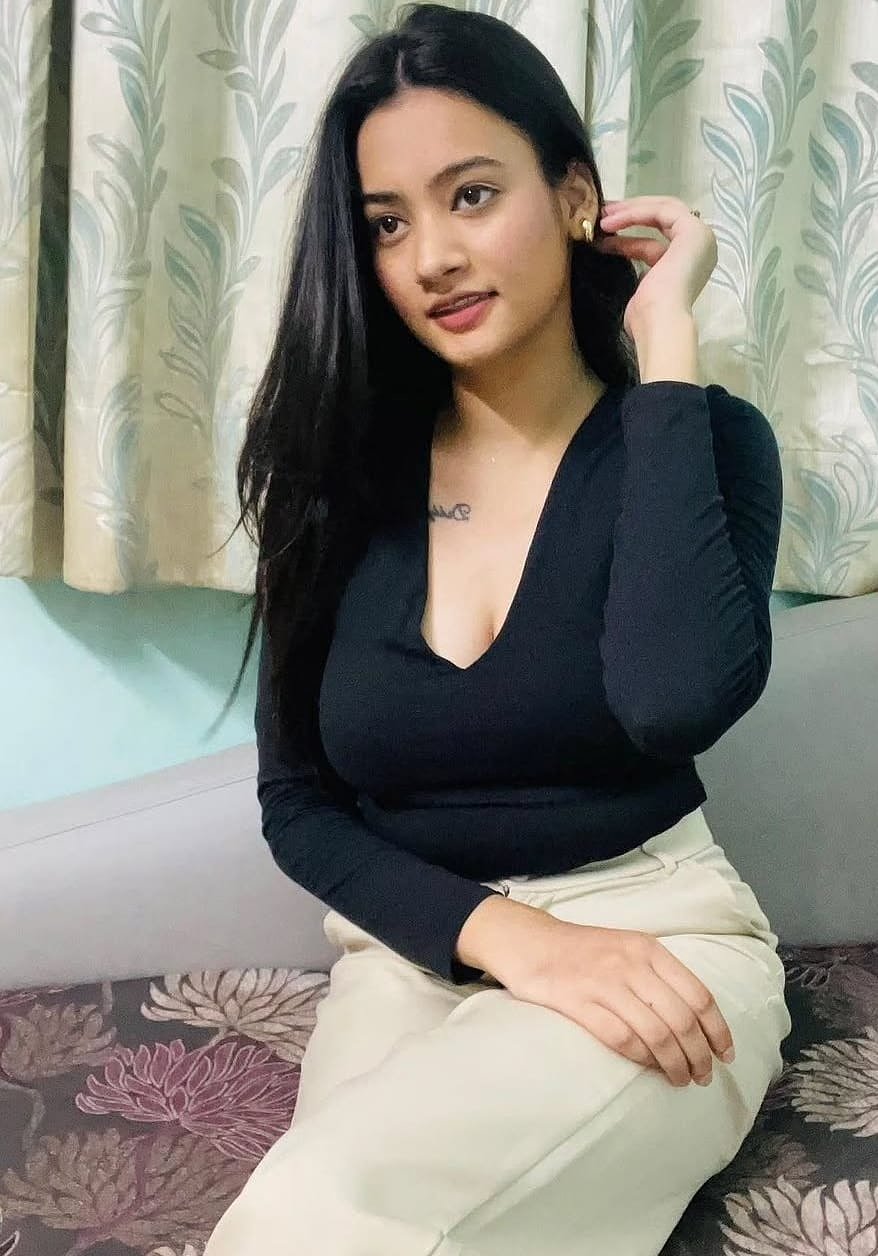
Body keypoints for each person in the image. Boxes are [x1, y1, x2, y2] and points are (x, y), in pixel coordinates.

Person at [204, 5, 791, 1253]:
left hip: (652, 931)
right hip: (407, 952)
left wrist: (664, 342)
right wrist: (512, 939)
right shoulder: (332, 476)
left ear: (573, 196)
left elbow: (673, 698)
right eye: (386, 224)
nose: (431, 257)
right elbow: (299, 804)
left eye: (471, 195)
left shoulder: (696, 442)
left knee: (312, 1214)